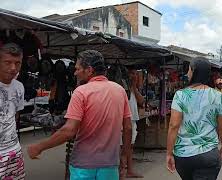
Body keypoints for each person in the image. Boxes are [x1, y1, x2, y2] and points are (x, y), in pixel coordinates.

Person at [27, 50, 133, 180]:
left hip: (84, 165)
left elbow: (69, 131)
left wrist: (40, 146)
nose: (75, 72)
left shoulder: (81, 92)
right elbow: (128, 128)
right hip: (110, 164)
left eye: (77, 69)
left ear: (89, 70)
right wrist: (124, 155)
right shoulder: (120, 90)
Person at [166, 58, 222, 180]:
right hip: (208, 154)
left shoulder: (180, 95)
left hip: (183, 156)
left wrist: (169, 153)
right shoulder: (218, 96)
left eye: (189, 70)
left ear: (194, 71)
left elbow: (174, 125)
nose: (187, 73)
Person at [0, 43, 25, 179]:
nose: (13, 68)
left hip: (14, 150)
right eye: (7, 62)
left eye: (17, 63)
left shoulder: (19, 87)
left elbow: (15, 115)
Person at [120, 68, 144, 178]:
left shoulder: (133, 88)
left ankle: (129, 170)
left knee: (130, 146)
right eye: (132, 74)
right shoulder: (121, 88)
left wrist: (134, 86)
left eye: (135, 74)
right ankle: (122, 171)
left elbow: (141, 101)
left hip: (133, 119)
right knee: (123, 147)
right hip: (123, 120)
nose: (134, 76)